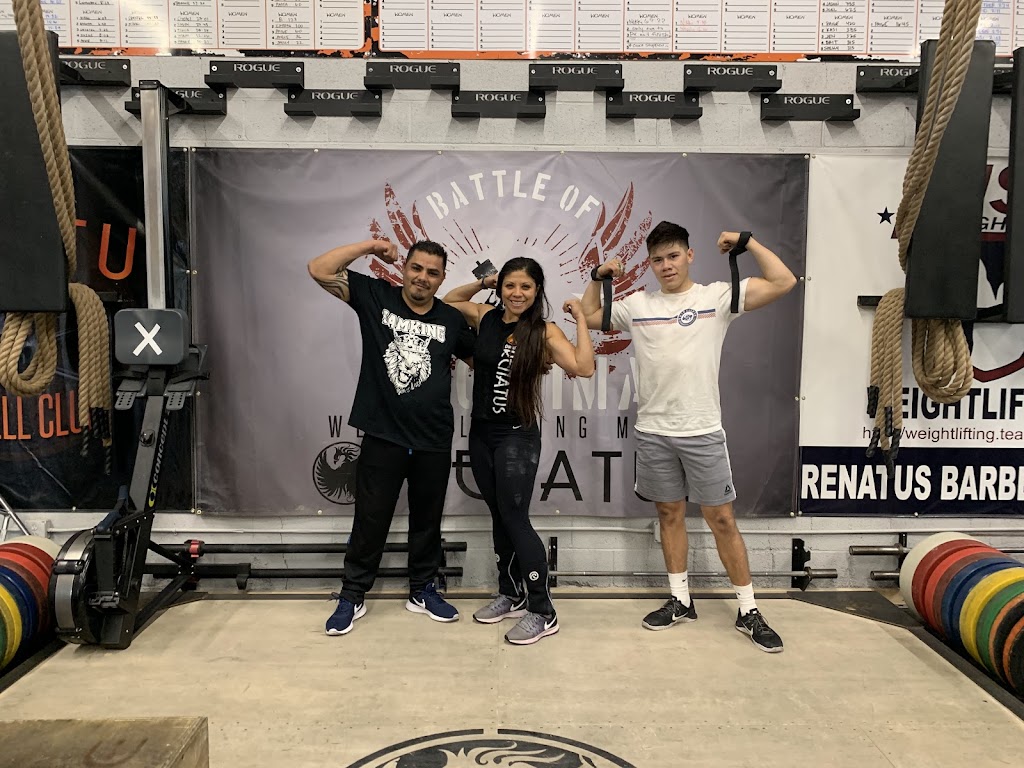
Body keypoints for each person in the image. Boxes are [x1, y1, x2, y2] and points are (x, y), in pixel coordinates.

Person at [580, 222, 797, 653]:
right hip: (654, 432)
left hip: (702, 430)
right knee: (669, 515)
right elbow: (586, 318)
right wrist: (596, 277)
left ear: (689, 255)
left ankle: (748, 609)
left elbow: (783, 281)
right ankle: (680, 600)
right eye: (658, 259)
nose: (666, 266)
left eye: (674, 256)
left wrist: (749, 242)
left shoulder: (715, 297)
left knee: (722, 520)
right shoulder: (638, 304)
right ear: (650, 264)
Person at [308, 238, 475, 636]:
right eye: (416, 268)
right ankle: (353, 594)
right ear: (405, 268)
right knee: (371, 518)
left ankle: (422, 589)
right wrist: (370, 246)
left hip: (433, 438)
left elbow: (483, 359)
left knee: (427, 522)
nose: (423, 277)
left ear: (442, 279)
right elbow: (319, 269)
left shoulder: (450, 319)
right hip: (384, 434)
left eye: (432, 272)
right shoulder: (376, 296)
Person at [442, 256, 596, 645]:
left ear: (537, 290)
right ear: (501, 288)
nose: (517, 293)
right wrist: (483, 283)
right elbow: (449, 302)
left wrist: (580, 317)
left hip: (517, 435)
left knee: (515, 517)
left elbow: (584, 366)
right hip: (481, 433)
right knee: (499, 514)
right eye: (510, 285)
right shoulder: (485, 317)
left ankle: (543, 610)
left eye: (525, 286)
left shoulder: (544, 331)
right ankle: (511, 594)